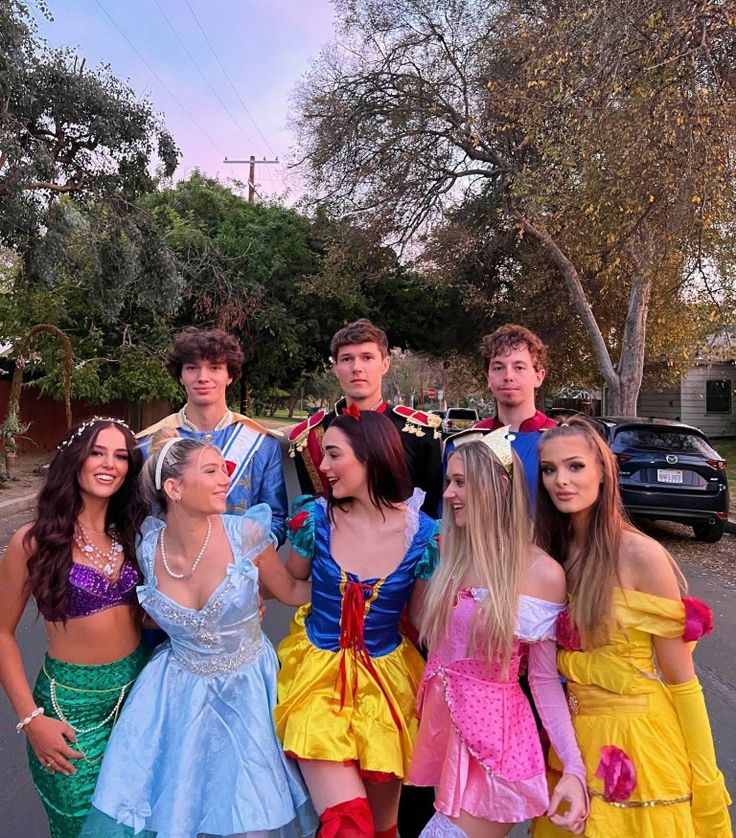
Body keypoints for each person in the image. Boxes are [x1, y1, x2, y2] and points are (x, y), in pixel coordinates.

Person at [79, 431, 317, 837]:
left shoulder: (246, 534)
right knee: (176, 805)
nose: (226, 477)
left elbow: (293, 591)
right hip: (173, 694)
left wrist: (358, 581)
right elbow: (142, 614)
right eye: (211, 470)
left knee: (248, 807)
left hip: (247, 690)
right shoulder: (145, 542)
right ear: (173, 488)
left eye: (223, 468)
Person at [532, 415, 732, 837]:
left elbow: (683, 682)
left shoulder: (641, 555)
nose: (560, 481)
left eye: (575, 466)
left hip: (638, 747)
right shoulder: (551, 552)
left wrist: (707, 783)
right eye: (549, 469)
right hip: (571, 746)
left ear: (603, 472)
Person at [409, 435, 588, 837]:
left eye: (461, 482)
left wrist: (573, 767)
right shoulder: (457, 557)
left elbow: (543, 682)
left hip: (496, 747)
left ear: (499, 488)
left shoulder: (540, 573)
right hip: (447, 736)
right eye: (449, 482)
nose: (450, 493)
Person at [275, 410, 440, 838]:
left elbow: (421, 623)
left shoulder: (422, 535)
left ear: (371, 456)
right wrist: (246, 571)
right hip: (316, 681)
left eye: (333, 455)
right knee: (347, 824)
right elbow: (292, 580)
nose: (323, 467)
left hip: (387, 689)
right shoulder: (315, 518)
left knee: (384, 828)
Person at [0, 417, 149, 838]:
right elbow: (2, 633)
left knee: (142, 824)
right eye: (97, 452)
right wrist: (31, 720)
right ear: (75, 459)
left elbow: (156, 611)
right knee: (85, 827)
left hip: (138, 699)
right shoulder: (33, 542)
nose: (109, 464)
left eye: (120, 456)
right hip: (71, 708)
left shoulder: (132, 537)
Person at [138, 327, 288, 544]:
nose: (203, 377)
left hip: (239, 569)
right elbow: (140, 517)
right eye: (192, 368)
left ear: (230, 376)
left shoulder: (262, 443)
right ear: (180, 376)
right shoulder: (148, 443)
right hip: (169, 570)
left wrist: (244, 557)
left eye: (215, 368)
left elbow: (276, 520)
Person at [288, 318, 443, 517]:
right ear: (335, 368)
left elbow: (431, 514)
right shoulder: (310, 437)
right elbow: (312, 518)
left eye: (367, 357)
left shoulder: (418, 433)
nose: (357, 368)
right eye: (346, 359)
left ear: (385, 364)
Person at [445, 324, 556, 505]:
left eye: (519, 367)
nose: (508, 376)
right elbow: (448, 515)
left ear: (539, 377)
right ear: (488, 378)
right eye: (498, 368)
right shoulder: (465, 443)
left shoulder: (561, 439)